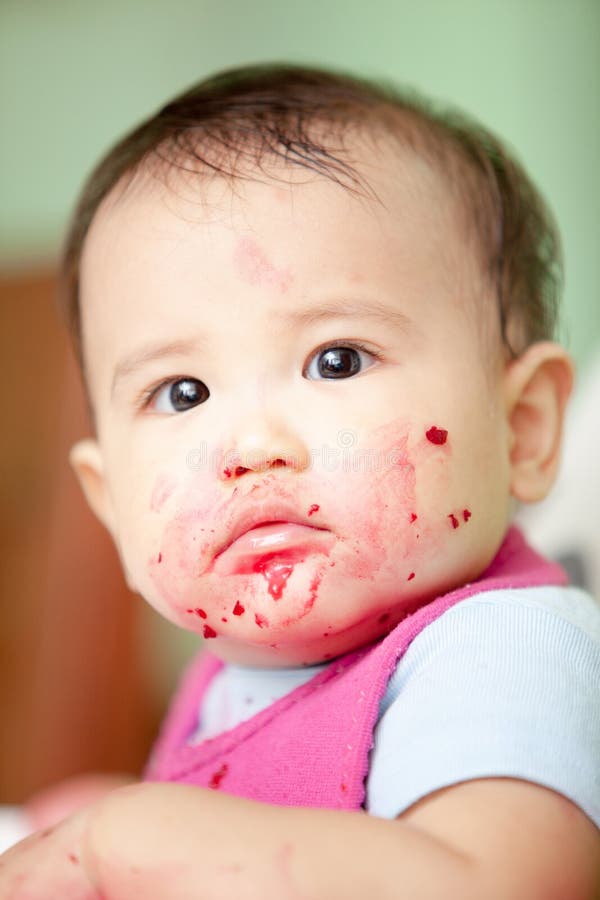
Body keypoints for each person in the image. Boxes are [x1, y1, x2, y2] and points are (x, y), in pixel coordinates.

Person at [1, 64, 598, 898]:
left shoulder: (499, 646)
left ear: (522, 426)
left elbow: (495, 883)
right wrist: (114, 809)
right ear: (109, 507)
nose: (251, 447)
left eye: (336, 360)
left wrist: (125, 841)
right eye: (182, 393)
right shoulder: (228, 682)